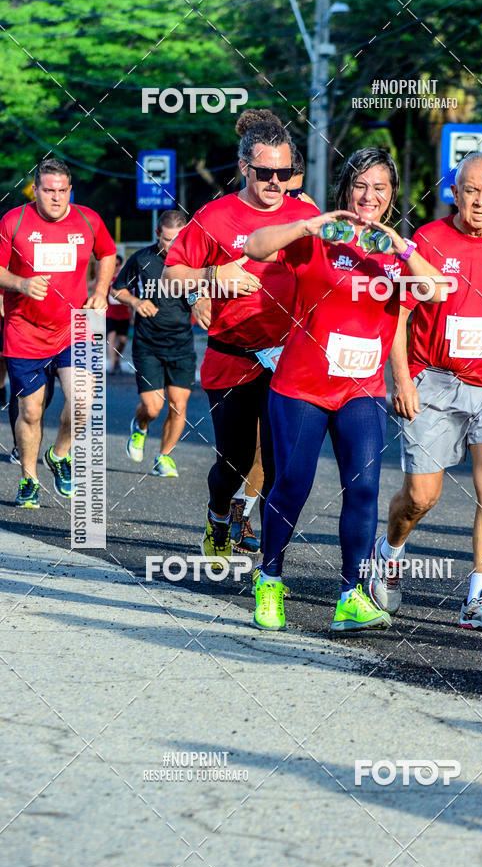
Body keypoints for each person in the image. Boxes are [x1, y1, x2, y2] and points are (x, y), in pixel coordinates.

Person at [244, 147, 443, 632]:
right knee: (292, 485)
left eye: (380, 187)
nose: (369, 195)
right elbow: (255, 246)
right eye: (360, 185)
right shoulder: (317, 238)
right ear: (345, 189)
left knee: (364, 488)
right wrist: (306, 226)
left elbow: (435, 292)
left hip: (362, 391)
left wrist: (402, 247)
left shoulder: (399, 253)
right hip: (301, 387)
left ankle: (351, 595)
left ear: (392, 194)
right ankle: (269, 580)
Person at [370, 151, 482, 632]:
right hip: (434, 381)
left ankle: (479, 597)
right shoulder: (427, 239)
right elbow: (398, 313)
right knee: (422, 496)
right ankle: (391, 552)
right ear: (455, 192)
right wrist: (401, 379)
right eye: (471, 190)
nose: (480, 202)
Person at [163, 111, 318, 569]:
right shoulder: (216, 215)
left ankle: (270, 569)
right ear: (244, 167)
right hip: (231, 357)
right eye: (265, 172)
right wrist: (213, 275)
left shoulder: (305, 215)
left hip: (288, 360)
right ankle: (217, 516)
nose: (276, 182)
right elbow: (173, 275)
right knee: (233, 460)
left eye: (284, 173)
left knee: (278, 466)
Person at [0, 158, 116, 507]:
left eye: (62, 191)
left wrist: (100, 291)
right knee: (31, 412)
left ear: (70, 190)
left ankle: (60, 454)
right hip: (24, 328)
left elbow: (107, 253)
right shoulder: (14, 220)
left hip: (74, 325)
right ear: (35, 190)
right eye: (48, 191)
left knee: (83, 399)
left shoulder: (88, 219)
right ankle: (29, 479)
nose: (55, 198)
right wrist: (20, 283)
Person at [111, 210, 194, 478]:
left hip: (181, 342)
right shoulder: (142, 259)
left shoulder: (194, 260)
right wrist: (136, 302)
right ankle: (141, 426)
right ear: (157, 234)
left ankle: (164, 456)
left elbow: (206, 290)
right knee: (153, 407)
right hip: (148, 343)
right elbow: (117, 289)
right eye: (167, 240)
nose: (172, 246)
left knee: (178, 405)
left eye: (178, 239)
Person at [106, 254, 130, 374]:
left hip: (124, 315)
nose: (114, 267)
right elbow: (92, 285)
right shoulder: (105, 278)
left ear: (120, 265)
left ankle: (116, 359)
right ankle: (111, 365)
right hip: (110, 314)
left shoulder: (124, 278)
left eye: (117, 265)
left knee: (122, 340)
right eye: (112, 265)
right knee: (111, 337)